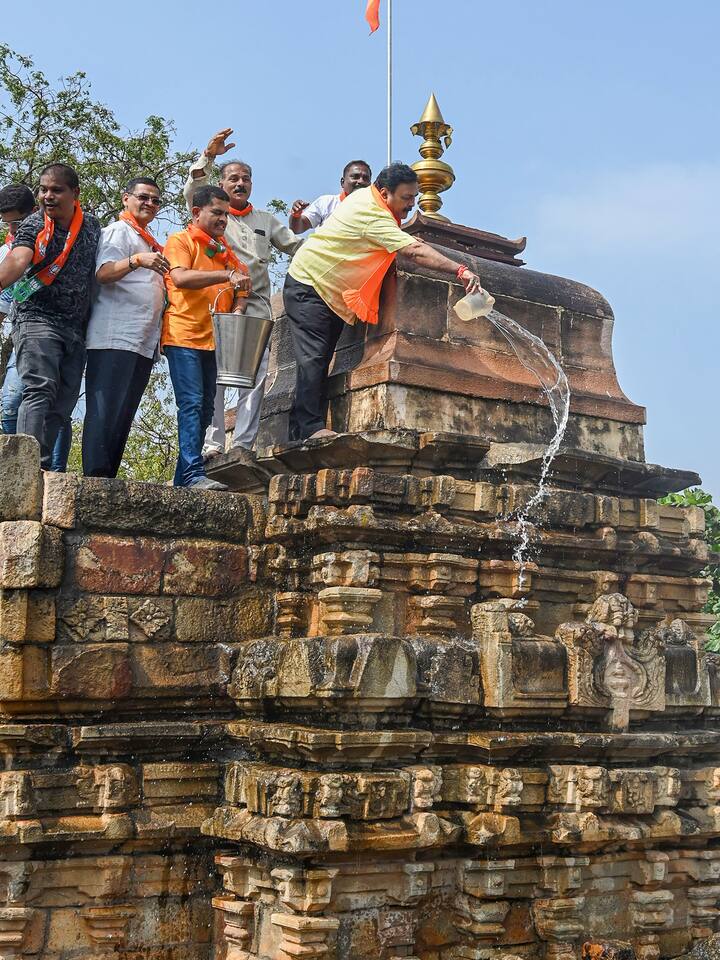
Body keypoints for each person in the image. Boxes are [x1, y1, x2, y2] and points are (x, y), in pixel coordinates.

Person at [284, 162, 484, 443]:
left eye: (414, 198)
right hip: (310, 284)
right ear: (384, 192)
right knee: (314, 358)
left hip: (327, 290)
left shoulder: (368, 201)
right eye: (406, 198)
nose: (410, 205)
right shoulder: (372, 213)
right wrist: (460, 269)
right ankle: (309, 428)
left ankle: (300, 431)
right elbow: (414, 251)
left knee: (319, 359)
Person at [184, 128, 302, 458]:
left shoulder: (265, 219)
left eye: (246, 178)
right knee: (218, 375)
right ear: (221, 185)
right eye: (233, 178)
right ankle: (213, 444)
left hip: (258, 307)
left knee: (255, 376)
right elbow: (194, 191)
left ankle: (243, 444)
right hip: (219, 306)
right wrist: (207, 157)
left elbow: (297, 247)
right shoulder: (214, 217)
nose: (240, 183)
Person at [0, 163, 101, 469]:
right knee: (39, 389)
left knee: (63, 402)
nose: (48, 196)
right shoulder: (32, 225)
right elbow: (18, 258)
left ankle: (43, 468)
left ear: (75, 194)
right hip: (36, 319)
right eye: (43, 190)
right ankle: (25, 468)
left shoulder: (92, 227)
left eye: (56, 190)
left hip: (75, 327)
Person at [162, 184, 250, 490]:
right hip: (183, 335)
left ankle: (182, 481)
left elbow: (244, 284)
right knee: (192, 403)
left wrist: (238, 306)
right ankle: (193, 474)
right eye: (217, 212)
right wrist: (225, 275)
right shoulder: (180, 240)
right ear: (197, 212)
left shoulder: (224, 250)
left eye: (226, 214)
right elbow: (181, 277)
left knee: (204, 410)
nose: (223, 219)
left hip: (215, 340)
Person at [82, 177, 169, 477]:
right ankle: (95, 477)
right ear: (126, 199)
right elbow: (103, 273)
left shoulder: (146, 238)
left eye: (155, 200)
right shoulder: (118, 231)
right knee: (105, 411)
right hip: (113, 336)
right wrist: (136, 260)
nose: (149, 204)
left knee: (124, 414)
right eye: (143, 197)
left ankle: (108, 478)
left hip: (141, 340)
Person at [0, 182, 73, 471]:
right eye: (6, 223)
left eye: (17, 221)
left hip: (59, 331)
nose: (13, 228)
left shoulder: (58, 240)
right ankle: (17, 473)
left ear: (34, 211)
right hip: (23, 338)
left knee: (52, 407)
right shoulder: (6, 251)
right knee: (9, 405)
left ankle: (52, 473)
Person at [288, 160, 372, 234]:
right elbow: (297, 229)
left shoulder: (375, 209)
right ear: (342, 182)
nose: (361, 181)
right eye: (355, 177)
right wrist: (296, 215)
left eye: (365, 178)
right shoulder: (326, 202)